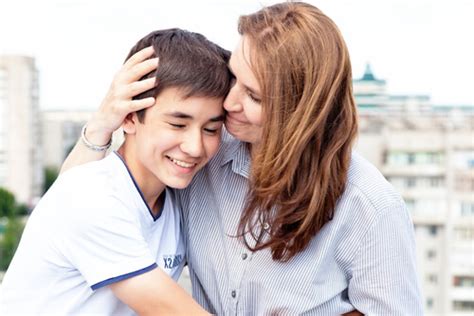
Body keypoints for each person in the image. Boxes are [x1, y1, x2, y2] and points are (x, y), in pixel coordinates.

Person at [61, 2, 423, 315]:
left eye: (253, 96)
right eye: (234, 77)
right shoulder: (202, 155)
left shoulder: (370, 207)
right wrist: (101, 125)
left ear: (301, 110)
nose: (230, 103)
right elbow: (73, 209)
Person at [0, 28, 232, 315]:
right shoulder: (92, 197)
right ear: (130, 117)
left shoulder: (175, 199)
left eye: (211, 129)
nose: (195, 147)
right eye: (177, 125)